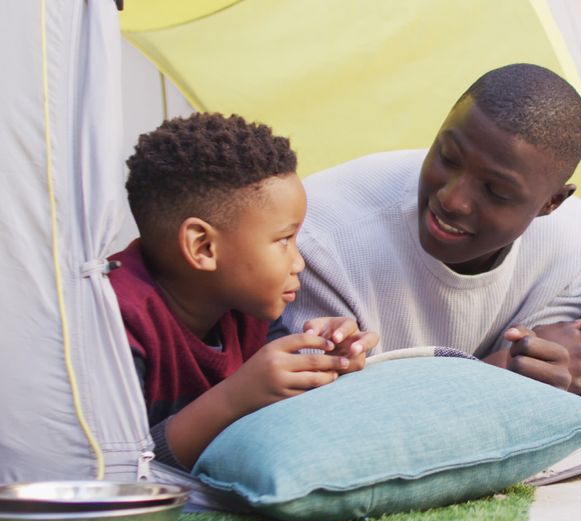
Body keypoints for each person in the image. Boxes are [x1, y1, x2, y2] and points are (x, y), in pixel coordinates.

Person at [280, 63, 581, 395]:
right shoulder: (319, 242)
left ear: (551, 203)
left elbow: (547, 369)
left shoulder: (571, 247)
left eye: (495, 191)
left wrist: (548, 369)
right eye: (448, 157)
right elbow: (330, 415)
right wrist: (494, 375)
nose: (451, 199)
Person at [110, 113, 379, 470]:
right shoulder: (114, 322)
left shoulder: (247, 307)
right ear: (203, 247)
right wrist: (235, 398)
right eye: (284, 239)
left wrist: (327, 362)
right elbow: (117, 467)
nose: (298, 262)